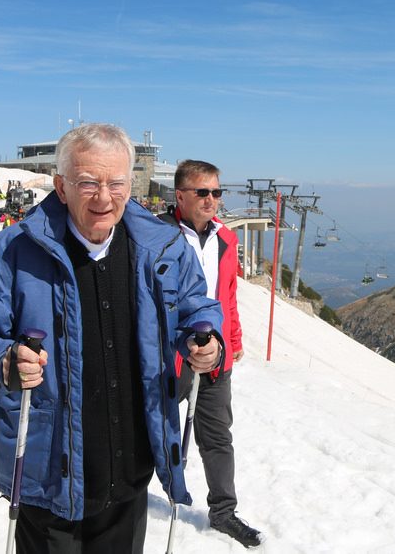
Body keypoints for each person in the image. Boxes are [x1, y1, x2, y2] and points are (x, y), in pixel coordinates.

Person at [0, 123, 224, 553]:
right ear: (61, 187)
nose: (104, 198)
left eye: (116, 183)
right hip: (47, 477)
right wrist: (2, 362)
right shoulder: (13, 252)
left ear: (130, 185)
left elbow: (194, 305)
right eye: (88, 183)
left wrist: (205, 338)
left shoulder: (161, 248)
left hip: (130, 474)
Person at [159, 159, 262, 548]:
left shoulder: (226, 239)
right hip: (168, 357)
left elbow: (228, 297)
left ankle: (223, 512)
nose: (211, 200)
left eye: (217, 192)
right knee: (149, 429)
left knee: (217, 437)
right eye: (202, 192)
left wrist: (232, 342)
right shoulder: (159, 236)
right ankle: (124, 502)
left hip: (215, 356)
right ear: (180, 195)